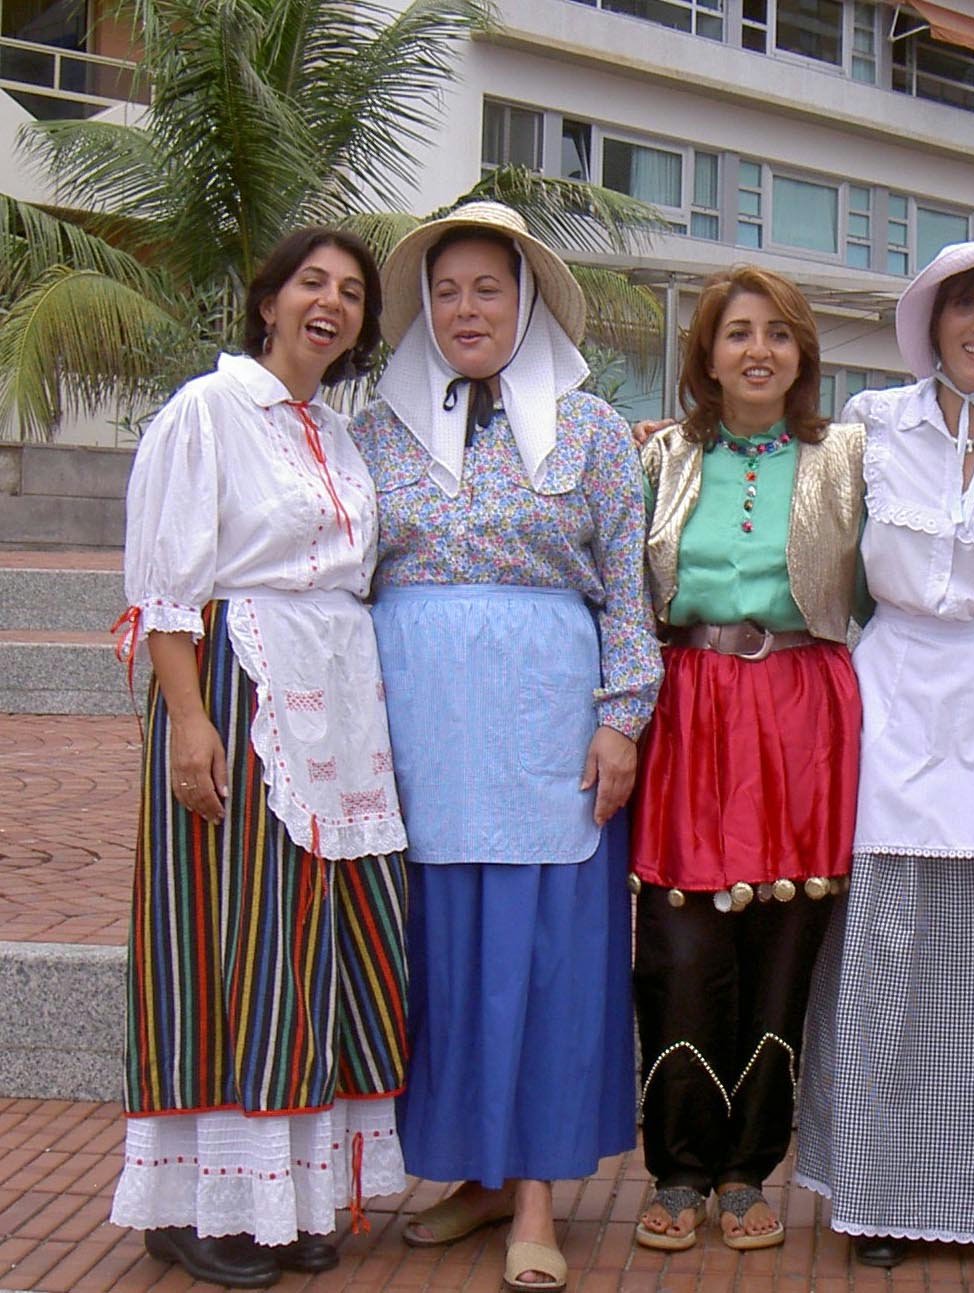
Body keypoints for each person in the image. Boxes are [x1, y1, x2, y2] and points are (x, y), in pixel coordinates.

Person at [348, 201, 661, 1293]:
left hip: (546, 731)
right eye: (446, 290)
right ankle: (470, 1176)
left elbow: (627, 590)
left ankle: (533, 1195)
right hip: (418, 733)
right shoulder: (375, 430)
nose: (465, 308)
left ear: (525, 302)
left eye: (488, 288)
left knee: (541, 961)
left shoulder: (592, 431)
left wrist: (621, 721)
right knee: (442, 963)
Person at [110, 228, 408, 1289]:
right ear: (270, 300)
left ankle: (287, 1195)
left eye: (353, 293)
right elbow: (170, 587)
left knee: (311, 942)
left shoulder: (339, 428)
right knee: (228, 939)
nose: (331, 303)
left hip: (334, 703)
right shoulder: (211, 409)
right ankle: (198, 1206)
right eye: (311, 284)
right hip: (238, 693)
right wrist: (189, 723)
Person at [793, 240, 974, 1267]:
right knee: (884, 944)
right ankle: (874, 1195)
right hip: (896, 694)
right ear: (930, 321)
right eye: (962, 305)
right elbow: (787, 473)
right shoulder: (875, 423)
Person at [628, 266, 865, 1255]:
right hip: (688, 706)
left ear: (803, 353)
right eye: (736, 333)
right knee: (682, 944)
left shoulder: (850, 455)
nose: (757, 350)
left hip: (804, 708)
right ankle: (678, 1167)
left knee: (782, 938)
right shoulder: (662, 456)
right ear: (706, 354)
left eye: (777, 332)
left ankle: (744, 1171)